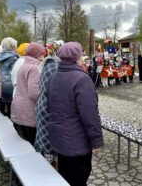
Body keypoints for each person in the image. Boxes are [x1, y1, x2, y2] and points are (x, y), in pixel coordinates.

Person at [47, 42, 103, 186]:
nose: (83, 58)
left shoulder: (54, 76)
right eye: (81, 54)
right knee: (78, 179)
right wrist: (96, 140)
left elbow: (49, 106)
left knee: (65, 176)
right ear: (77, 57)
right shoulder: (82, 79)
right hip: (76, 142)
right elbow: (89, 114)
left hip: (59, 138)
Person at [11, 42, 45, 146]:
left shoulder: (24, 65)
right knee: (31, 144)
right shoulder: (35, 68)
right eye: (42, 53)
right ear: (37, 54)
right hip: (28, 112)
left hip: (18, 108)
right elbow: (34, 93)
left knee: (24, 143)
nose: (44, 56)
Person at [35, 42, 61, 164]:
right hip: (49, 110)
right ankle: (49, 172)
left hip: (41, 107)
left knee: (44, 141)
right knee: (50, 145)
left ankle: (46, 166)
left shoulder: (45, 67)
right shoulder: (55, 67)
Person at [0, 37, 19, 118]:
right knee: (12, 109)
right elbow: (16, 72)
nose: (17, 47)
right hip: (12, 86)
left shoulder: (2, 56)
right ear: (12, 47)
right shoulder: (13, 57)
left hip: (4, 84)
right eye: (16, 46)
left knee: (7, 106)